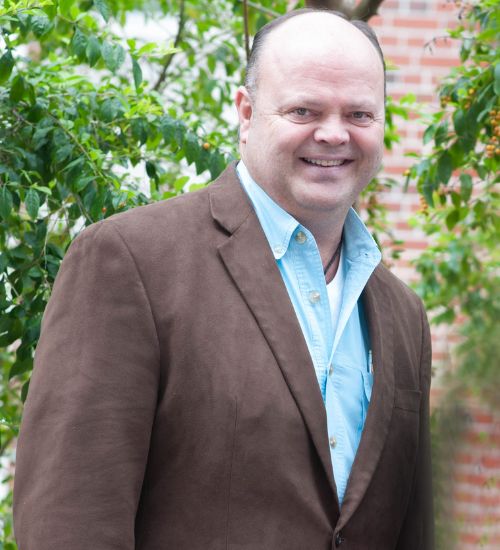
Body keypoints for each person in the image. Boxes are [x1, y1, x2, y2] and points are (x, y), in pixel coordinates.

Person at [13, 8, 434, 550]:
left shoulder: (403, 315)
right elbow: (69, 525)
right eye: (304, 109)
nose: (333, 134)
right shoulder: (129, 262)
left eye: (359, 114)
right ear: (246, 112)